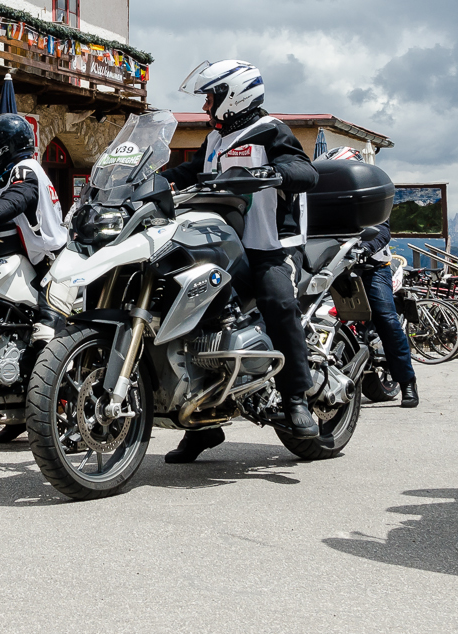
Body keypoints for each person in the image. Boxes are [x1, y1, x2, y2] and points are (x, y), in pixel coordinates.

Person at [157, 59, 321, 462]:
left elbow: (305, 170)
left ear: (235, 96)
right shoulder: (215, 141)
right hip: (224, 247)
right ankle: (203, 424)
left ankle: (296, 398)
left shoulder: (270, 131)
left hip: (269, 247)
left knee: (279, 304)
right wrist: (151, 181)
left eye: (211, 97)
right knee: (194, 320)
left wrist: (275, 173)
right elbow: (190, 171)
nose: (207, 106)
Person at [0, 112, 69, 443]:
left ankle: (64, 418)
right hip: (38, 262)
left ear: (7, 147)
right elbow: (2, 203)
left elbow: (17, 200)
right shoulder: (13, 173)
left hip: (56, 265)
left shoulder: (25, 170)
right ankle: (19, 409)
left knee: (46, 337)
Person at [350, 221, 418, 408]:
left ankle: (407, 381)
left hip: (373, 267)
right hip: (333, 264)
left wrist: (365, 248)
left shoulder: (369, 193)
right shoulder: (320, 193)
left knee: (386, 320)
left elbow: (382, 229)